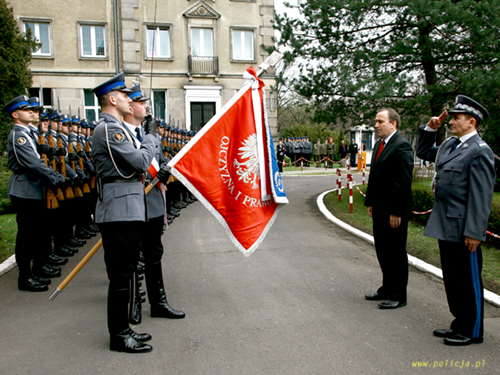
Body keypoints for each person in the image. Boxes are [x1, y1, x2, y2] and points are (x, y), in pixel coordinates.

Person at [416, 95, 495, 346]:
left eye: (456, 118)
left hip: (464, 228)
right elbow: (425, 151)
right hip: (445, 222)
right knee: (452, 279)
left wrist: (475, 232)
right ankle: (459, 323)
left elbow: (481, 196)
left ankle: (472, 331)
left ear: (471, 122)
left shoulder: (480, 151)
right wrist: (431, 129)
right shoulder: (451, 146)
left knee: (467, 281)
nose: (451, 121)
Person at [91, 72, 157, 353]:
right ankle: (118, 335)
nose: (130, 100)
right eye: (126, 95)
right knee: (121, 275)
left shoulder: (116, 127)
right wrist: (152, 140)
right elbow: (140, 161)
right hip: (118, 209)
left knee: (127, 271)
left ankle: (124, 328)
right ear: (112, 98)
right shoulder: (109, 129)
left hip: (125, 207)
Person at [123, 84, 185, 321]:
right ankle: (133, 303)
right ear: (129, 107)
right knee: (132, 257)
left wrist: (166, 168)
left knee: (154, 253)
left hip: (154, 203)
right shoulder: (122, 132)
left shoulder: (148, 134)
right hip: (134, 203)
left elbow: (158, 159)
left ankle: (158, 302)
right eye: (141, 102)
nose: (146, 106)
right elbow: (133, 164)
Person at [4, 95, 65, 292]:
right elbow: (32, 162)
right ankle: (25, 277)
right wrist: (53, 177)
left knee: (38, 232)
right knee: (27, 236)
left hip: (33, 188)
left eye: (34, 110)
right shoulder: (18, 135)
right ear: (15, 114)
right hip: (24, 189)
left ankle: (38, 268)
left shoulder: (29, 133)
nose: (33, 112)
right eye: (27, 110)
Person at [364, 108, 413, 309]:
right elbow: (375, 177)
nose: (376, 125)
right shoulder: (379, 145)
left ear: (393, 123)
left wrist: (396, 211)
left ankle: (398, 295)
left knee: (395, 252)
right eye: (376, 121)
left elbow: (402, 182)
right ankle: (387, 288)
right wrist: (370, 203)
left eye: (380, 121)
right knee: (383, 250)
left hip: (394, 211)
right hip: (380, 208)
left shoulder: (402, 146)